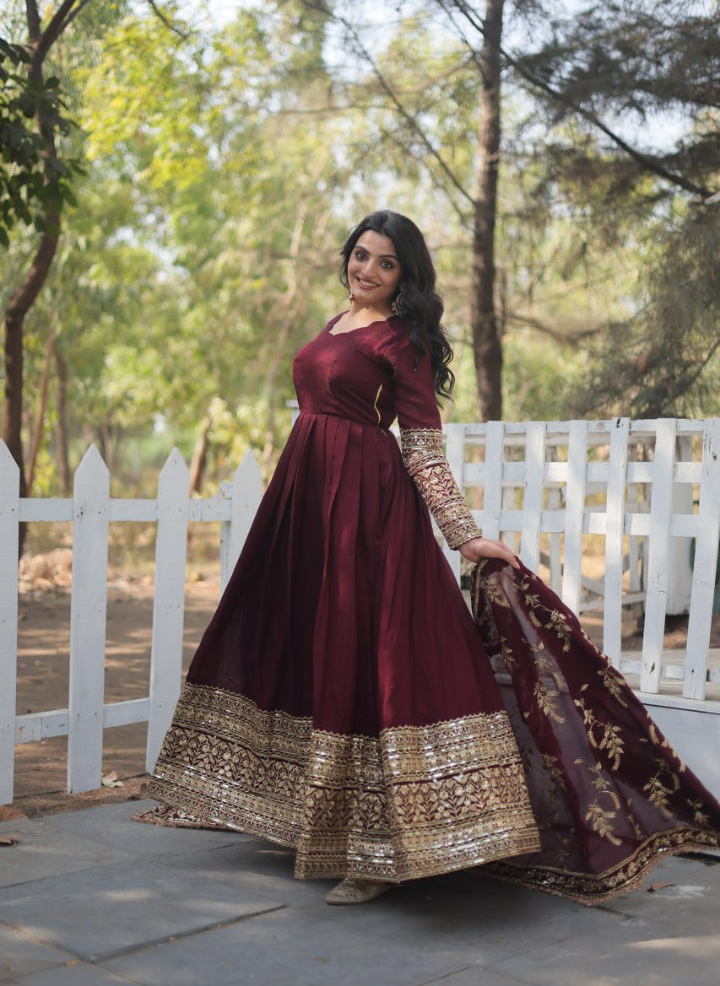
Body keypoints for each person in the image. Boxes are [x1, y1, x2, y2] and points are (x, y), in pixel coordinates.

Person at [143, 209, 720, 905]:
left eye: (386, 264)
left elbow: (420, 443)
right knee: (303, 648)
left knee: (366, 663)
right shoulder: (336, 323)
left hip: (367, 511)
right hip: (305, 502)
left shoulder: (402, 340)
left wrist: (462, 533)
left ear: (405, 277)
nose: (367, 270)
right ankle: (311, 818)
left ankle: (378, 853)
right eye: (361, 255)